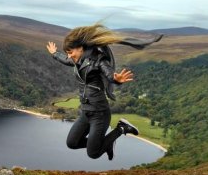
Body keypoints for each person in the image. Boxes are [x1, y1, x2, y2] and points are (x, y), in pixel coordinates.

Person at [46, 23, 162, 160]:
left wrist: (116, 79)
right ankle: (106, 144)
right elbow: (65, 60)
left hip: (99, 113)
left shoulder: (98, 60)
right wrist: (54, 54)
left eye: (71, 52)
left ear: (81, 48)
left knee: (93, 153)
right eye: (68, 53)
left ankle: (122, 128)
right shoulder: (78, 60)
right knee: (72, 143)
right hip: (86, 112)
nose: (69, 56)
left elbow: (109, 73)